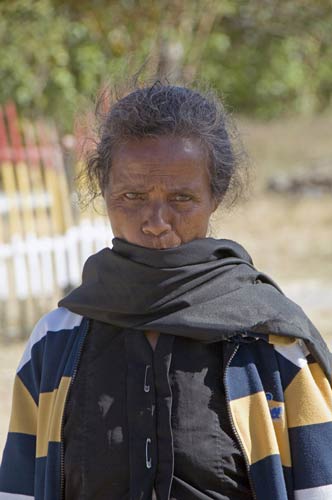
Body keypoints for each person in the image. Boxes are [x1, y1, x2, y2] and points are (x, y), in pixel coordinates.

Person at [1, 82, 332, 500]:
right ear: (102, 190)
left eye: (181, 198)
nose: (156, 221)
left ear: (217, 193)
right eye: (132, 196)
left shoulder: (272, 342)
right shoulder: (56, 343)